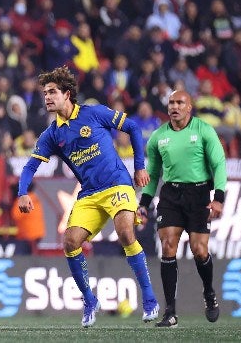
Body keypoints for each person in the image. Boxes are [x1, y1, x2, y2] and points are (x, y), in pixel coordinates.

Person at [17, 66, 159, 327]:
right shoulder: (52, 134)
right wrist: (22, 192)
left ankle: (149, 299)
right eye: (44, 93)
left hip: (117, 184)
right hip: (90, 194)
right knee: (70, 242)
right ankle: (89, 300)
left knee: (126, 232)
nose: (47, 97)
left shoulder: (93, 113)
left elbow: (133, 128)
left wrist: (140, 166)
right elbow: (29, 167)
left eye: (52, 92)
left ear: (67, 94)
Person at [138, 89, 226, 327]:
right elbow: (153, 174)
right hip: (171, 195)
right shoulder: (157, 137)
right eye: (171, 102)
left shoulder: (204, 131)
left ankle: (208, 293)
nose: (175, 106)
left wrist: (218, 198)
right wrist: (143, 204)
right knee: (167, 246)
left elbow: (219, 165)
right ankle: (170, 312)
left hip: (198, 195)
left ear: (190, 107)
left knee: (199, 250)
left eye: (180, 102)